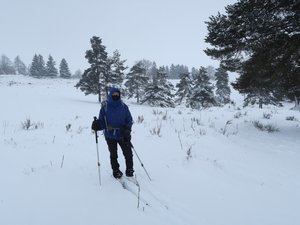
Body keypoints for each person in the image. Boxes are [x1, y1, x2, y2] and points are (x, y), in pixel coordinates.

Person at [91, 87, 134, 179]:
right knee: (113, 154)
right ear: (110, 95)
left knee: (128, 153)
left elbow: (129, 120)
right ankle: (116, 171)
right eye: (114, 94)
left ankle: (129, 170)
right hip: (110, 135)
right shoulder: (105, 107)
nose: (115, 96)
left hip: (123, 134)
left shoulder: (124, 106)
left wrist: (128, 129)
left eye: (117, 94)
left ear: (119, 95)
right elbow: (102, 121)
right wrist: (97, 125)